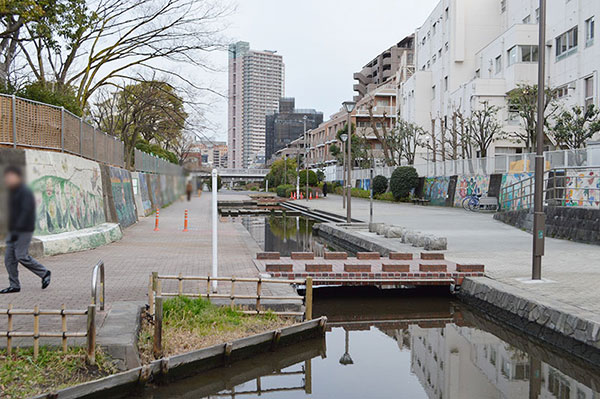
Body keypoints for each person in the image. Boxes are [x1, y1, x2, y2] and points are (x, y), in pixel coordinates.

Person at [2, 166, 51, 294]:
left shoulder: (25, 191)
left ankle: (44, 272)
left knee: (21, 256)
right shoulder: (12, 192)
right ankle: (14, 285)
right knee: (9, 259)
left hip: (24, 230)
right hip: (13, 230)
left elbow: (26, 211)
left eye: (10, 177)